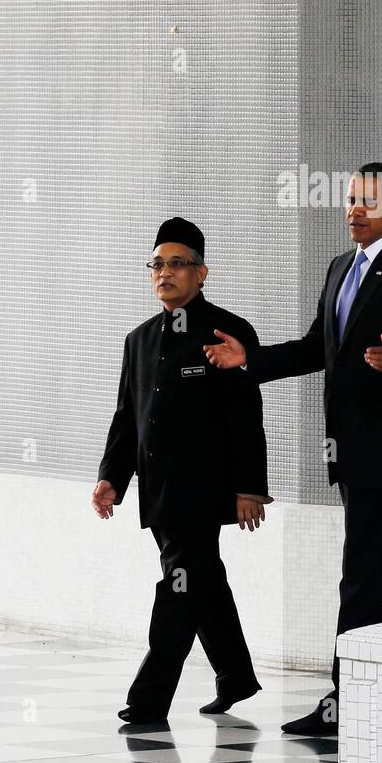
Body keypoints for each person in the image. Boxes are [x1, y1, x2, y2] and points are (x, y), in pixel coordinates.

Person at [205, 163, 382, 737]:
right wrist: (250, 359)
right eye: (350, 200)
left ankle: (347, 702)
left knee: (362, 577)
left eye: (369, 201)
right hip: (349, 452)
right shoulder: (339, 268)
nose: (355, 210)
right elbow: (314, 348)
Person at [92, 218, 272, 723]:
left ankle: (150, 697)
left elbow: (245, 418)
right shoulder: (139, 340)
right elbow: (128, 416)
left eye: (176, 263)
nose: (164, 273)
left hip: (204, 490)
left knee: (177, 583)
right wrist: (111, 478)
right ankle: (235, 675)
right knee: (200, 582)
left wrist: (250, 488)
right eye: (157, 264)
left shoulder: (226, 331)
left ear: (201, 273)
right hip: (158, 491)